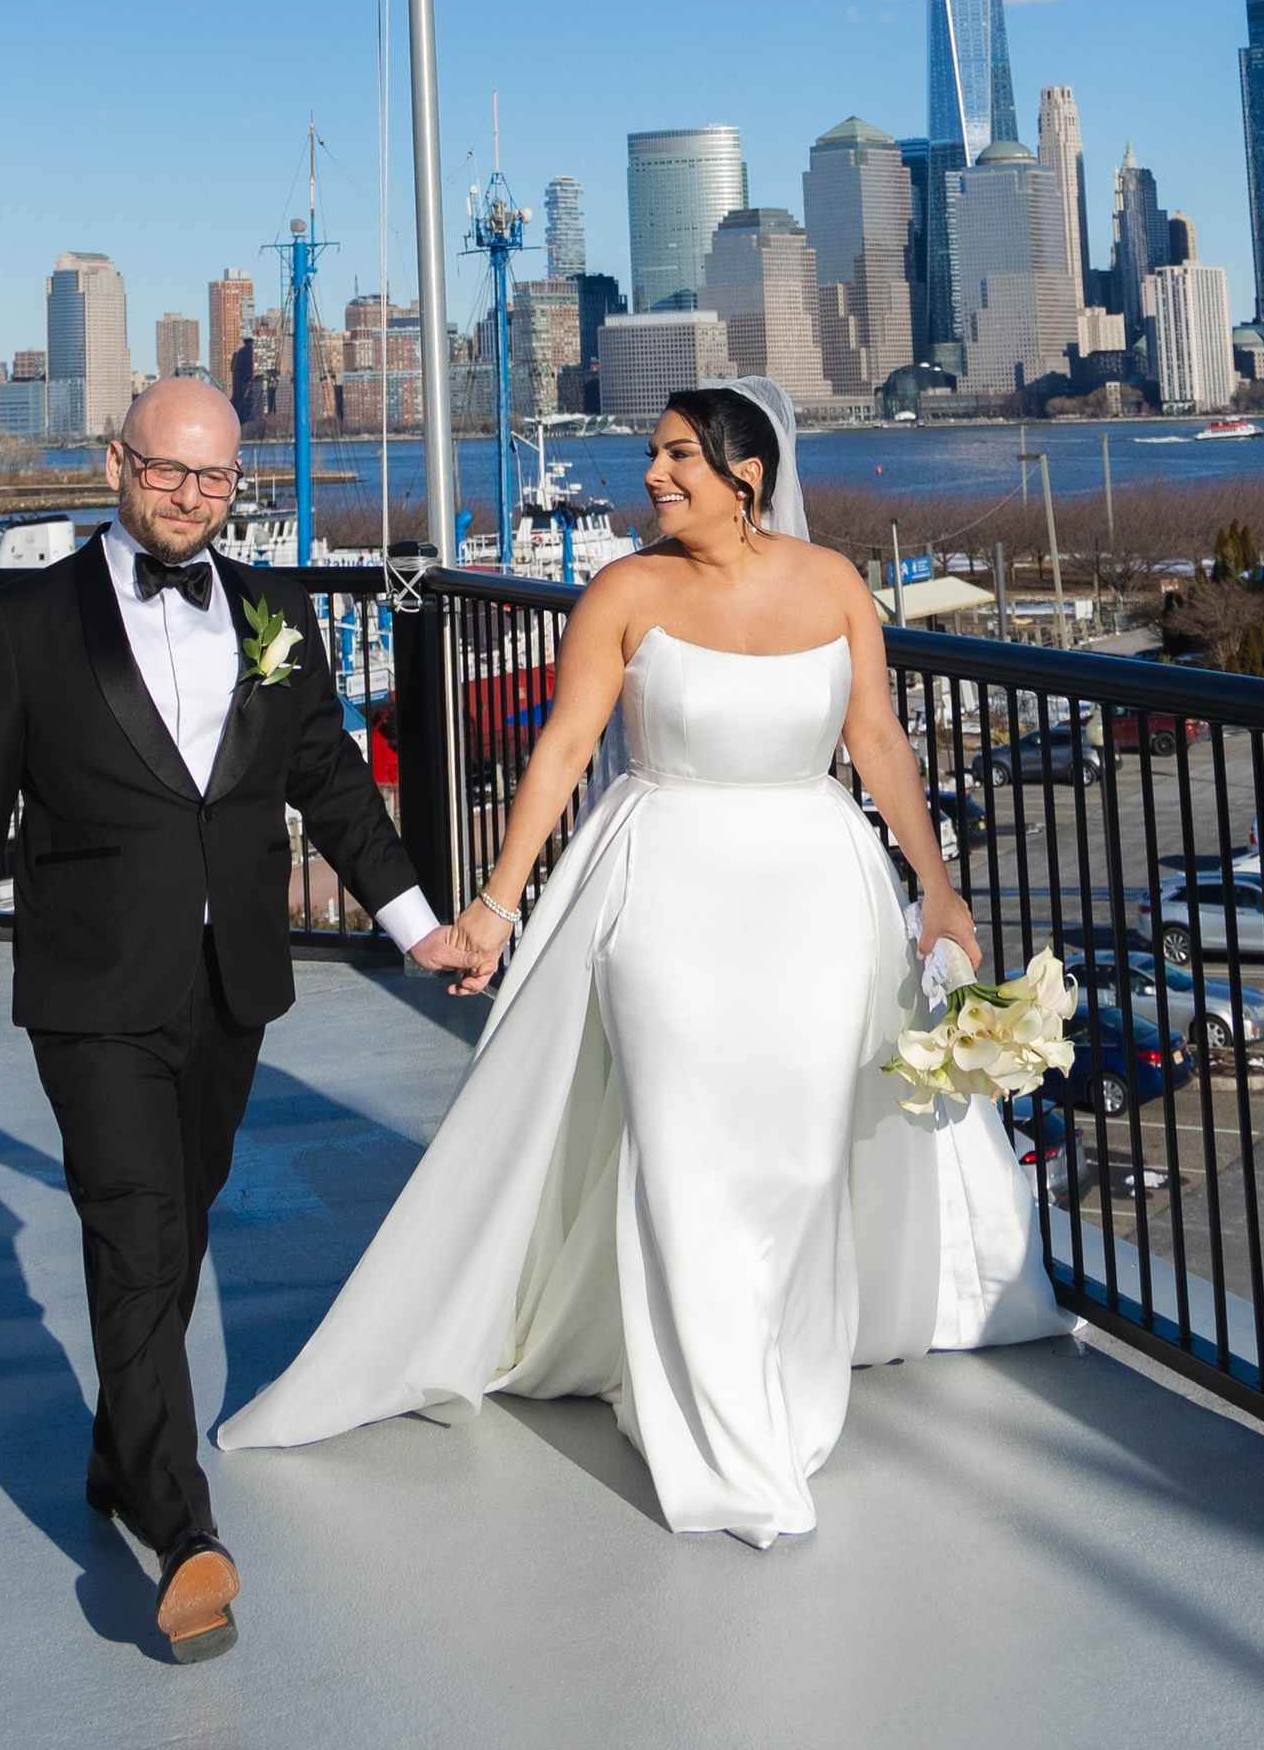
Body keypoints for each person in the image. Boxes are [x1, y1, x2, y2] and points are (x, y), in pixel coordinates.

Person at [219, 378, 1066, 1545]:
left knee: (801, 1161)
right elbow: (565, 749)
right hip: (666, 891)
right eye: (653, 455)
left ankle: (778, 1383)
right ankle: (721, 1445)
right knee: (685, 1152)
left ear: (746, 476)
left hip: (819, 898)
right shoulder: (623, 591)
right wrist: (495, 909)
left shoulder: (833, 585)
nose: (653, 476)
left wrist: (936, 885)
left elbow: (874, 739)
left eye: (677, 457)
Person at [0, 377, 468, 1658]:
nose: (189, 496)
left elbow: (329, 780)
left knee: (184, 1219)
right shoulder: (28, 619)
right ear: (116, 463)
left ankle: (123, 1454)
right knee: (136, 1234)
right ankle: (185, 1533)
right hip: (93, 981)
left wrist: (416, 925)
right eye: (167, 469)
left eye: (214, 477)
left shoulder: (276, 612)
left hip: (233, 980)